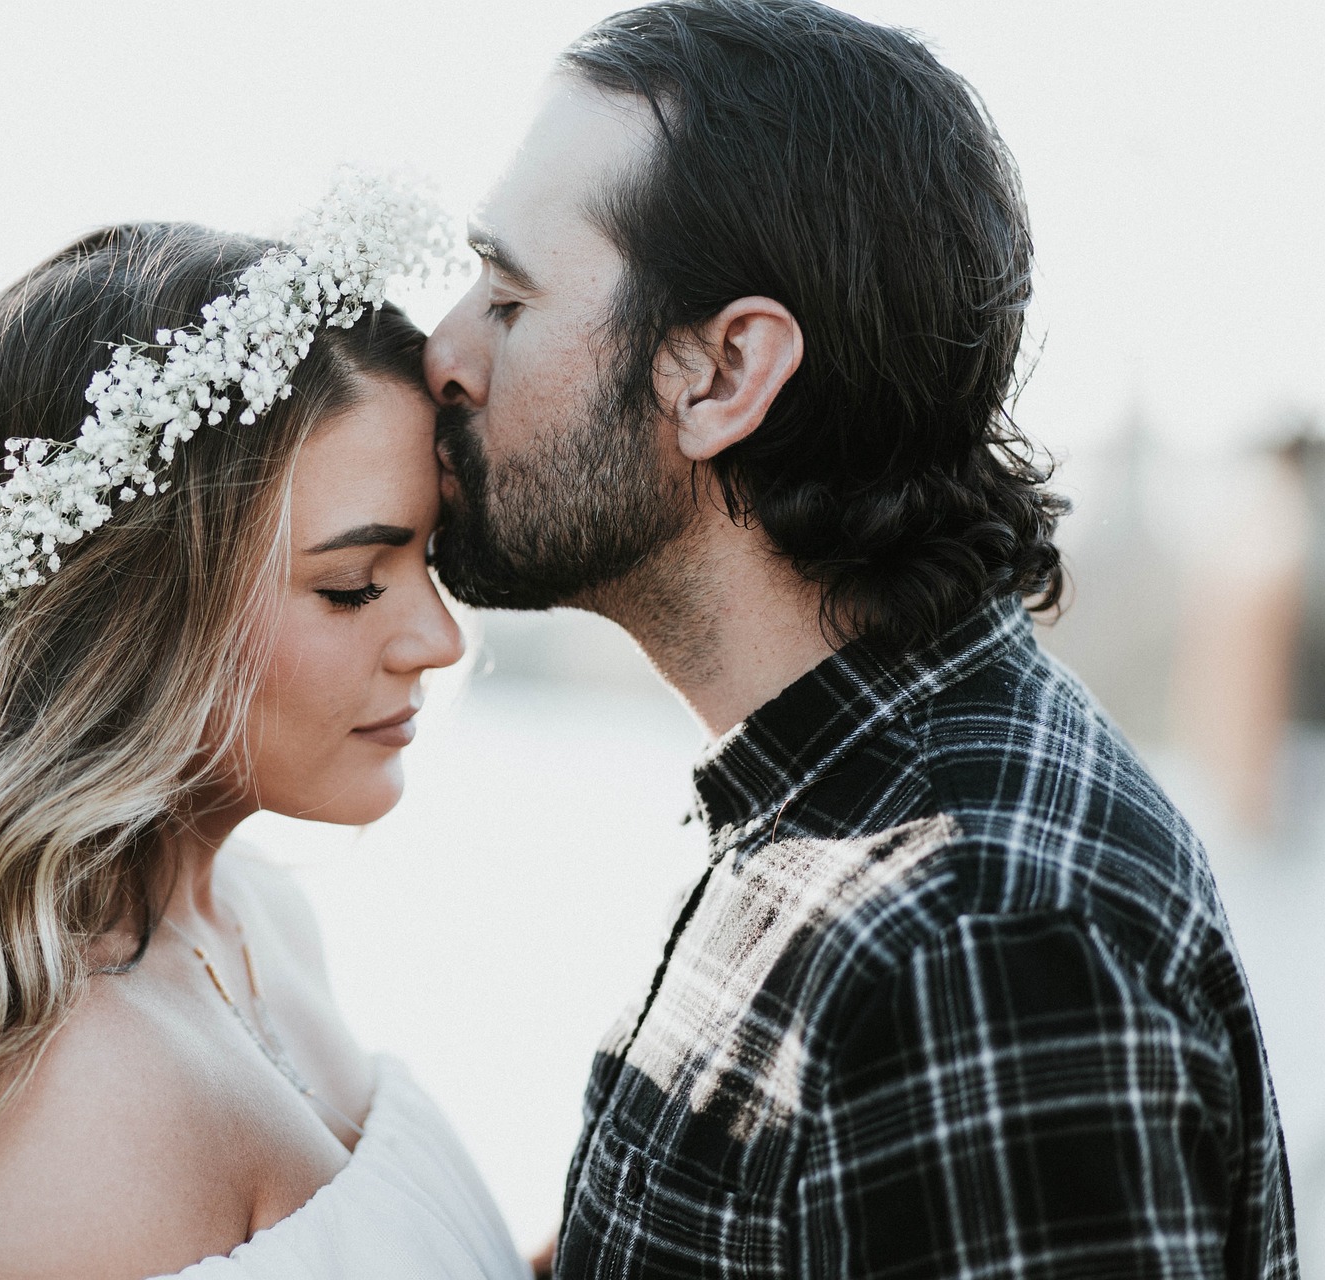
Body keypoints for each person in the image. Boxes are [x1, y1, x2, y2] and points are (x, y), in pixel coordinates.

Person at [423, 2, 1299, 1276]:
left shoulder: (969, 938)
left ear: (725, 374)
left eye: (508, 295)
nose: (444, 349)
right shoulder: (821, 813)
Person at [0, 190, 529, 1279]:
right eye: (352, 584)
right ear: (132, 616)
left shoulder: (259, 917)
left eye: (427, 560)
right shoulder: (70, 1117)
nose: (438, 639)